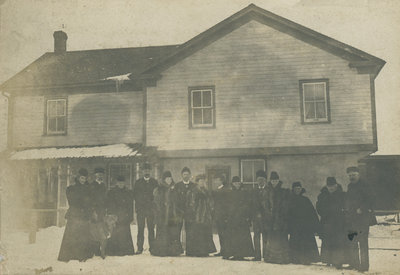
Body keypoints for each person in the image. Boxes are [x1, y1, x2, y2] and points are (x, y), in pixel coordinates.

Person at [345, 166, 376, 272]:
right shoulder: (350, 186)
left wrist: (362, 208)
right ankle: (355, 263)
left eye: (354, 175)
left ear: (358, 175)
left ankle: (364, 266)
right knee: (352, 241)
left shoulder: (365, 185)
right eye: (350, 175)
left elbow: (371, 199)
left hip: (363, 219)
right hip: (352, 219)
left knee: (362, 242)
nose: (352, 177)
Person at [58, 168, 92, 262]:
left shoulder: (88, 189)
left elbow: (90, 202)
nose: (83, 180)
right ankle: (69, 255)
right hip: (75, 214)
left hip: (84, 215)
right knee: (72, 235)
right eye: (81, 178)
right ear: (78, 178)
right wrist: (82, 203)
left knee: (83, 235)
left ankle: (81, 255)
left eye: (84, 178)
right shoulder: (71, 188)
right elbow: (72, 201)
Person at [316, 177, 347, 268]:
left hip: (339, 222)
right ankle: (327, 260)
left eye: (333, 186)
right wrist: (325, 213)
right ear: (326, 186)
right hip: (327, 221)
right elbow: (319, 207)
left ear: (336, 185)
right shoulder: (322, 195)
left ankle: (338, 261)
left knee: (338, 241)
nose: (331, 188)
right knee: (327, 241)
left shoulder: (342, 195)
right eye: (329, 186)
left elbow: (346, 206)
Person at [151, 171, 183, 256]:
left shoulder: (175, 188)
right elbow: (156, 201)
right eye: (167, 178)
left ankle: (172, 251)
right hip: (162, 214)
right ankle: (162, 251)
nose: (169, 180)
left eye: (170, 178)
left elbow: (178, 200)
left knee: (172, 232)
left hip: (172, 214)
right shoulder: (159, 189)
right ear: (164, 179)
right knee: (162, 232)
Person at [223, 176, 255, 260]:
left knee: (242, 236)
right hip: (232, 218)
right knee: (232, 236)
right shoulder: (229, 193)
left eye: (238, 183)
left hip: (242, 218)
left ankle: (241, 254)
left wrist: (246, 214)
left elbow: (248, 204)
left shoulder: (244, 192)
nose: (237, 185)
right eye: (235, 183)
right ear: (232, 184)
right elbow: (226, 205)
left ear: (240, 184)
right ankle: (232, 253)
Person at [288, 181, 320, 265]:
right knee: (295, 242)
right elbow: (287, 213)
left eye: (299, 188)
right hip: (295, 226)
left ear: (301, 189)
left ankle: (307, 259)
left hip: (305, 226)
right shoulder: (290, 200)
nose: (297, 190)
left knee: (306, 242)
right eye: (296, 189)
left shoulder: (305, 199)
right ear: (293, 189)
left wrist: (315, 225)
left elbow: (312, 213)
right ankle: (295, 259)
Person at [185, 174, 217, 257]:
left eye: (203, 181)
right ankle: (196, 251)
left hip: (206, 216)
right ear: (197, 182)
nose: (202, 182)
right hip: (197, 216)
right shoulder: (193, 191)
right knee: (197, 233)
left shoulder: (206, 191)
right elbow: (191, 204)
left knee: (205, 233)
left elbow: (211, 202)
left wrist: (211, 209)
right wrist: (193, 213)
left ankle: (204, 251)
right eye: (201, 181)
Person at [263, 171, 290, 264]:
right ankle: (271, 258)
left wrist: (281, 215)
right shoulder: (267, 192)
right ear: (270, 181)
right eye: (273, 180)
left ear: (278, 181)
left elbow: (286, 205)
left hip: (280, 218)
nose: (274, 182)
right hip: (270, 218)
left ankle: (282, 259)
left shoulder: (283, 192)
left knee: (281, 237)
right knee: (272, 237)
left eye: (276, 180)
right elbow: (265, 205)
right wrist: (268, 214)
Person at [106, 175, 135, 256]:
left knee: (125, 233)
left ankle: (126, 250)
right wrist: (111, 217)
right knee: (115, 234)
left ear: (124, 183)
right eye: (119, 182)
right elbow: (110, 205)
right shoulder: (111, 192)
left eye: (122, 182)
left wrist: (130, 216)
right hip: (116, 217)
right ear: (117, 183)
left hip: (125, 216)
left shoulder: (128, 192)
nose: (121, 184)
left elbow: (130, 206)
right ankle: (114, 251)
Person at [133, 163, 158, 254]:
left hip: (151, 210)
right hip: (141, 210)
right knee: (140, 229)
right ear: (142, 171)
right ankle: (139, 248)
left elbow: (156, 196)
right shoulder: (138, 182)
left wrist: (154, 208)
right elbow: (135, 196)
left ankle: (153, 247)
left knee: (151, 229)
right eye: (145, 170)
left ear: (150, 171)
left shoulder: (154, 182)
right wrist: (138, 208)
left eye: (148, 170)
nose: (146, 171)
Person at [175, 167, 196, 252]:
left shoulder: (193, 186)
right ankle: (178, 249)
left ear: (190, 175)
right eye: (184, 174)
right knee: (177, 230)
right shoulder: (177, 186)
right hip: (180, 211)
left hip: (189, 212)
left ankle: (190, 249)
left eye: (187, 174)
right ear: (181, 175)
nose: (186, 176)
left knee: (190, 230)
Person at [87, 167, 107, 256]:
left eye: (101, 175)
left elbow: (104, 199)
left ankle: (98, 249)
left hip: (102, 211)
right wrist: (93, 211)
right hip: (94, 211)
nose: (100, 177)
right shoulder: (91, 186)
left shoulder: (103, 186)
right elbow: (90, 200)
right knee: (93, 230)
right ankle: (92, 250)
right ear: (95, 176)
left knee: (100, 230)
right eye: (98, 175)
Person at [212, 174, 231, 257]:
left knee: (225, 234)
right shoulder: (217, 190)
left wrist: (226, 216)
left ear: (221, 181)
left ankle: (226, 251)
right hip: (218, 215)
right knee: (220, 233)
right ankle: (222, 250)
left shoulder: (225, 190)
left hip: (224, 216)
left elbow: (227, 204)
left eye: (217, 180)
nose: (215, 182)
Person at [251, 170, 268, 261]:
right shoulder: (254, 191)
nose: (260, 181)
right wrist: (255, 214)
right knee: (256, 236)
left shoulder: (268, 190)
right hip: (256, 218)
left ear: (265, 180)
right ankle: (257, 255)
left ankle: (265, 255)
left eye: (262, 179)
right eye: (258, 179)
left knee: (265, 236)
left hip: (265, 218)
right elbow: (252, 204)